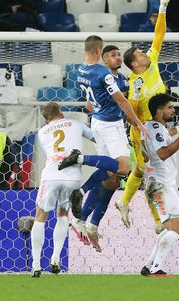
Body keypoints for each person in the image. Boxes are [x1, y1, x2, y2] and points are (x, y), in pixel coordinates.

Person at [68, 37, 148, 251]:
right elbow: (121, 102)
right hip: (111, 126)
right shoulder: (104, 75)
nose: (117, 57)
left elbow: (88, 103)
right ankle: (81, 177)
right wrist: (137, 123)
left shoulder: (82, 70)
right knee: (123, 167)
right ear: (100, 53)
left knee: (111, 178)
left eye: (119, 54)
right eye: (112, 54)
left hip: (99, 123)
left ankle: (86, 222)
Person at [32, 102, 121, 276]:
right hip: (72, 176)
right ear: (60, 111)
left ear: (46, 118)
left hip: (51, 174)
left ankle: (36, 264)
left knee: (41, 216)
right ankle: (55, 259)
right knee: (62, 214)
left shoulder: (42, 132)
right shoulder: (75, 123)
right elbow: (97, 137)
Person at [117, 0, 173, 232]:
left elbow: (159, 35)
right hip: (142, 132)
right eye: (140, 54)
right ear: (134, 65)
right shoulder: (135, 81)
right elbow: (130, 112)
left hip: (157, 127)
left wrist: (162, 9)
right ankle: (158, 222)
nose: (145, 54)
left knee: (141, 171)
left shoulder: (152, 61)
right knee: (149, 174)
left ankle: (124, 201)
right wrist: (135, 95)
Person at [140, 93, 179, 277]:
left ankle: (149, 266)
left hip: (159, 182)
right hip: (161, 184)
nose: (174, 110)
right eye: (170, 107)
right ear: (159, 111)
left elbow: (164, 135)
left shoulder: (153, 127)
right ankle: (156, 269)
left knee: (170, 228)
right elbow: (163, 153)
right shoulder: (157, 129)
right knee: (176, 229)